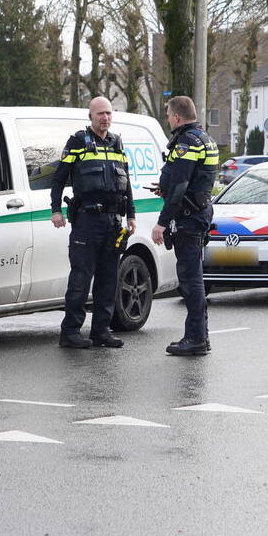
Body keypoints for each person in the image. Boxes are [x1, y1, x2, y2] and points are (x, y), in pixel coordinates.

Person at [50, 97, 137, 349]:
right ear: (90, 116)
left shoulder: (117, 143)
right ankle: (70, 332)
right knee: (81, 277)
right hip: (87, 220)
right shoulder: (78, 141)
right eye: (100, 114)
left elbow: (127, 183)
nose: (105, 118)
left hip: (113, 221)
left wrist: (131, 215)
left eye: (108, 113)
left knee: (108, 279)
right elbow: (59, 178)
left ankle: (101, 331)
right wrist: (56, 210)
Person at [150, 95, 219, 356]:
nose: (168, 119)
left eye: (168, 115)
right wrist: (164, 188)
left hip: (189, 217)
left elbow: (179, 185)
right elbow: (195, 181)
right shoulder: (206, 139)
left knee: (190, 280)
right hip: (200, 211)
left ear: (177, 116)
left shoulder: (186, 143)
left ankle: (196, 338)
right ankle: (201, 335)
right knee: (195, 277)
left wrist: (161, 223)